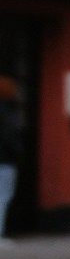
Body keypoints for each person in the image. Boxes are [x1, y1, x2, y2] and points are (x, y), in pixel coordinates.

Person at [0, 73, 23, 243]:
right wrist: (17, 151)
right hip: (5, 160)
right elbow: (10, 136)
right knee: (3, 196)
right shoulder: (8, 112)